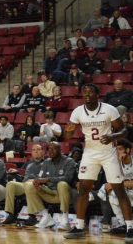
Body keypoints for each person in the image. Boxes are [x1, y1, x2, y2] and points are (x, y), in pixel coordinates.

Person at [64, 83, 133, 240]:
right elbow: (67, 137)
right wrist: (67, 132)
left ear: (97, 94)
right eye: (84, 92)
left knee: (119, 189)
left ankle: (130, 227)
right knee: (83, 189)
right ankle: (79, 227)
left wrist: (112, 136)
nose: (87, 95)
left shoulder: (109, 109)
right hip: (90, 153)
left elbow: (124, 131)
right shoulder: (77, 112)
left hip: (108, 153)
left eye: (90, 92)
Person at [23, 141, 76, 229]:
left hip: (63, 194)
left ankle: (65, 219)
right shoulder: (46, 162)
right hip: (48, 192)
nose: (50, 151)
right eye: (49, 149)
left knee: (62, 184)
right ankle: (46, 216)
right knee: (29, 185)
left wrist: (48, 179)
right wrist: (37, 183)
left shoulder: (69, 161)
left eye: (53, 148)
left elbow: (68, 178)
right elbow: (40, 177)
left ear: (60, 149)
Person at [1, 144, 46, 225]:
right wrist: (16, 171)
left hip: (36, 185)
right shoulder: (28, 163)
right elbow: (23, 177)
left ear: (43, 152)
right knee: (11, 184)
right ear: (31, 153)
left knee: (29, 185)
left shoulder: (46, 163)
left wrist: (36, 180)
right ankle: (11, 214)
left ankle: (32, 217)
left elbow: (47, 177)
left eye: (38, 149)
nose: (36, 151)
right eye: (33, 150)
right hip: (24, 184)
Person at [98, 139, 133, 234]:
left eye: (120, 149)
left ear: (128, 150)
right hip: (125, 191)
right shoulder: (114, 164)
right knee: (109, 191)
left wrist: (122, 184)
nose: (117, 152)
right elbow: (110, 184)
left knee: (114, 189)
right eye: (116, 150)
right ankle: (123, 224)